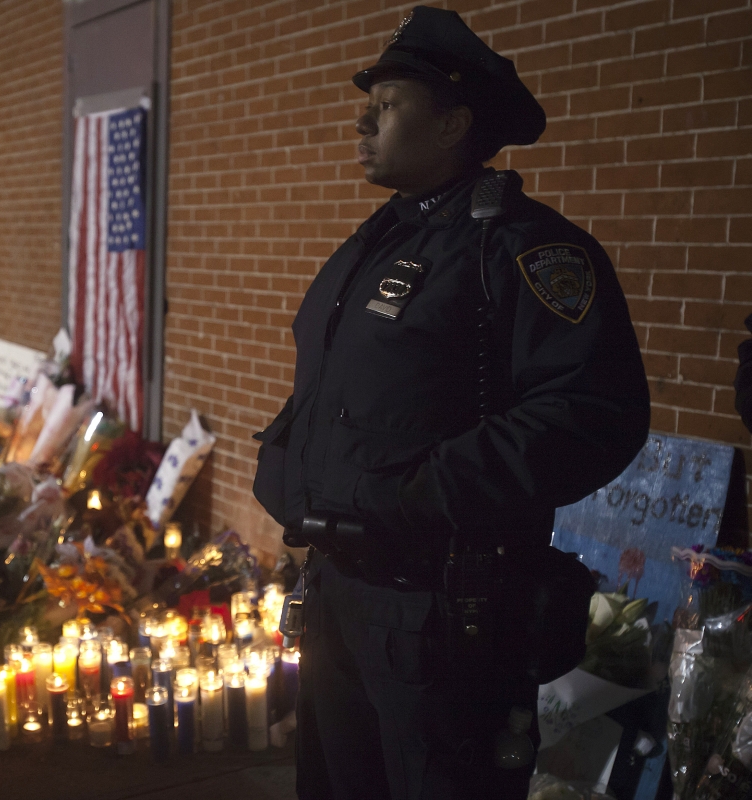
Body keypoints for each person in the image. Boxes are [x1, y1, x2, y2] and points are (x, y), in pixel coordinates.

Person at [251, 7, 650, 800]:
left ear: (452, 125)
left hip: (440, 617)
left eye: (391, 103)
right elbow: (334, 394)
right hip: (340, 599)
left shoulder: (523, 249)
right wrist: (286, 467)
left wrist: (419, 491)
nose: (364, 118)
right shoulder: (381, 242)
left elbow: (591, 412)